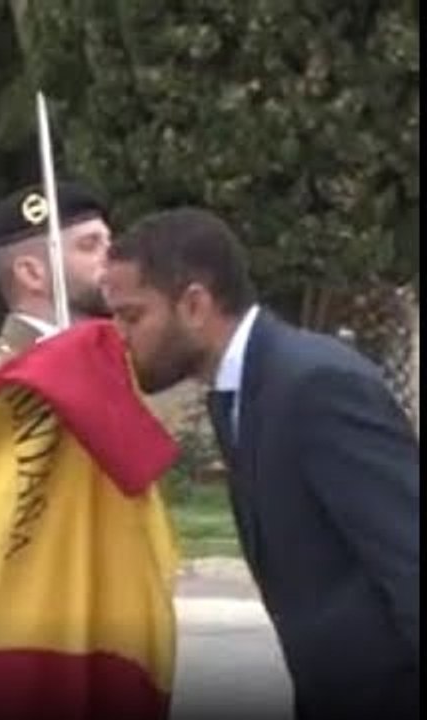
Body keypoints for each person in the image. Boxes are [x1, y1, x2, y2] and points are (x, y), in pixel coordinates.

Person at [103, 207, 419, 720]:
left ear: (194, 304)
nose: (118, 335)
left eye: (132, 315)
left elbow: (408, 552)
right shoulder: (234, 393)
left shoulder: (315, 384)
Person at [0, 180, 112, 371]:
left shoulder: (114, 359)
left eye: (110, 241)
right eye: (89, 245)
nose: (114, 255)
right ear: (31, 273)